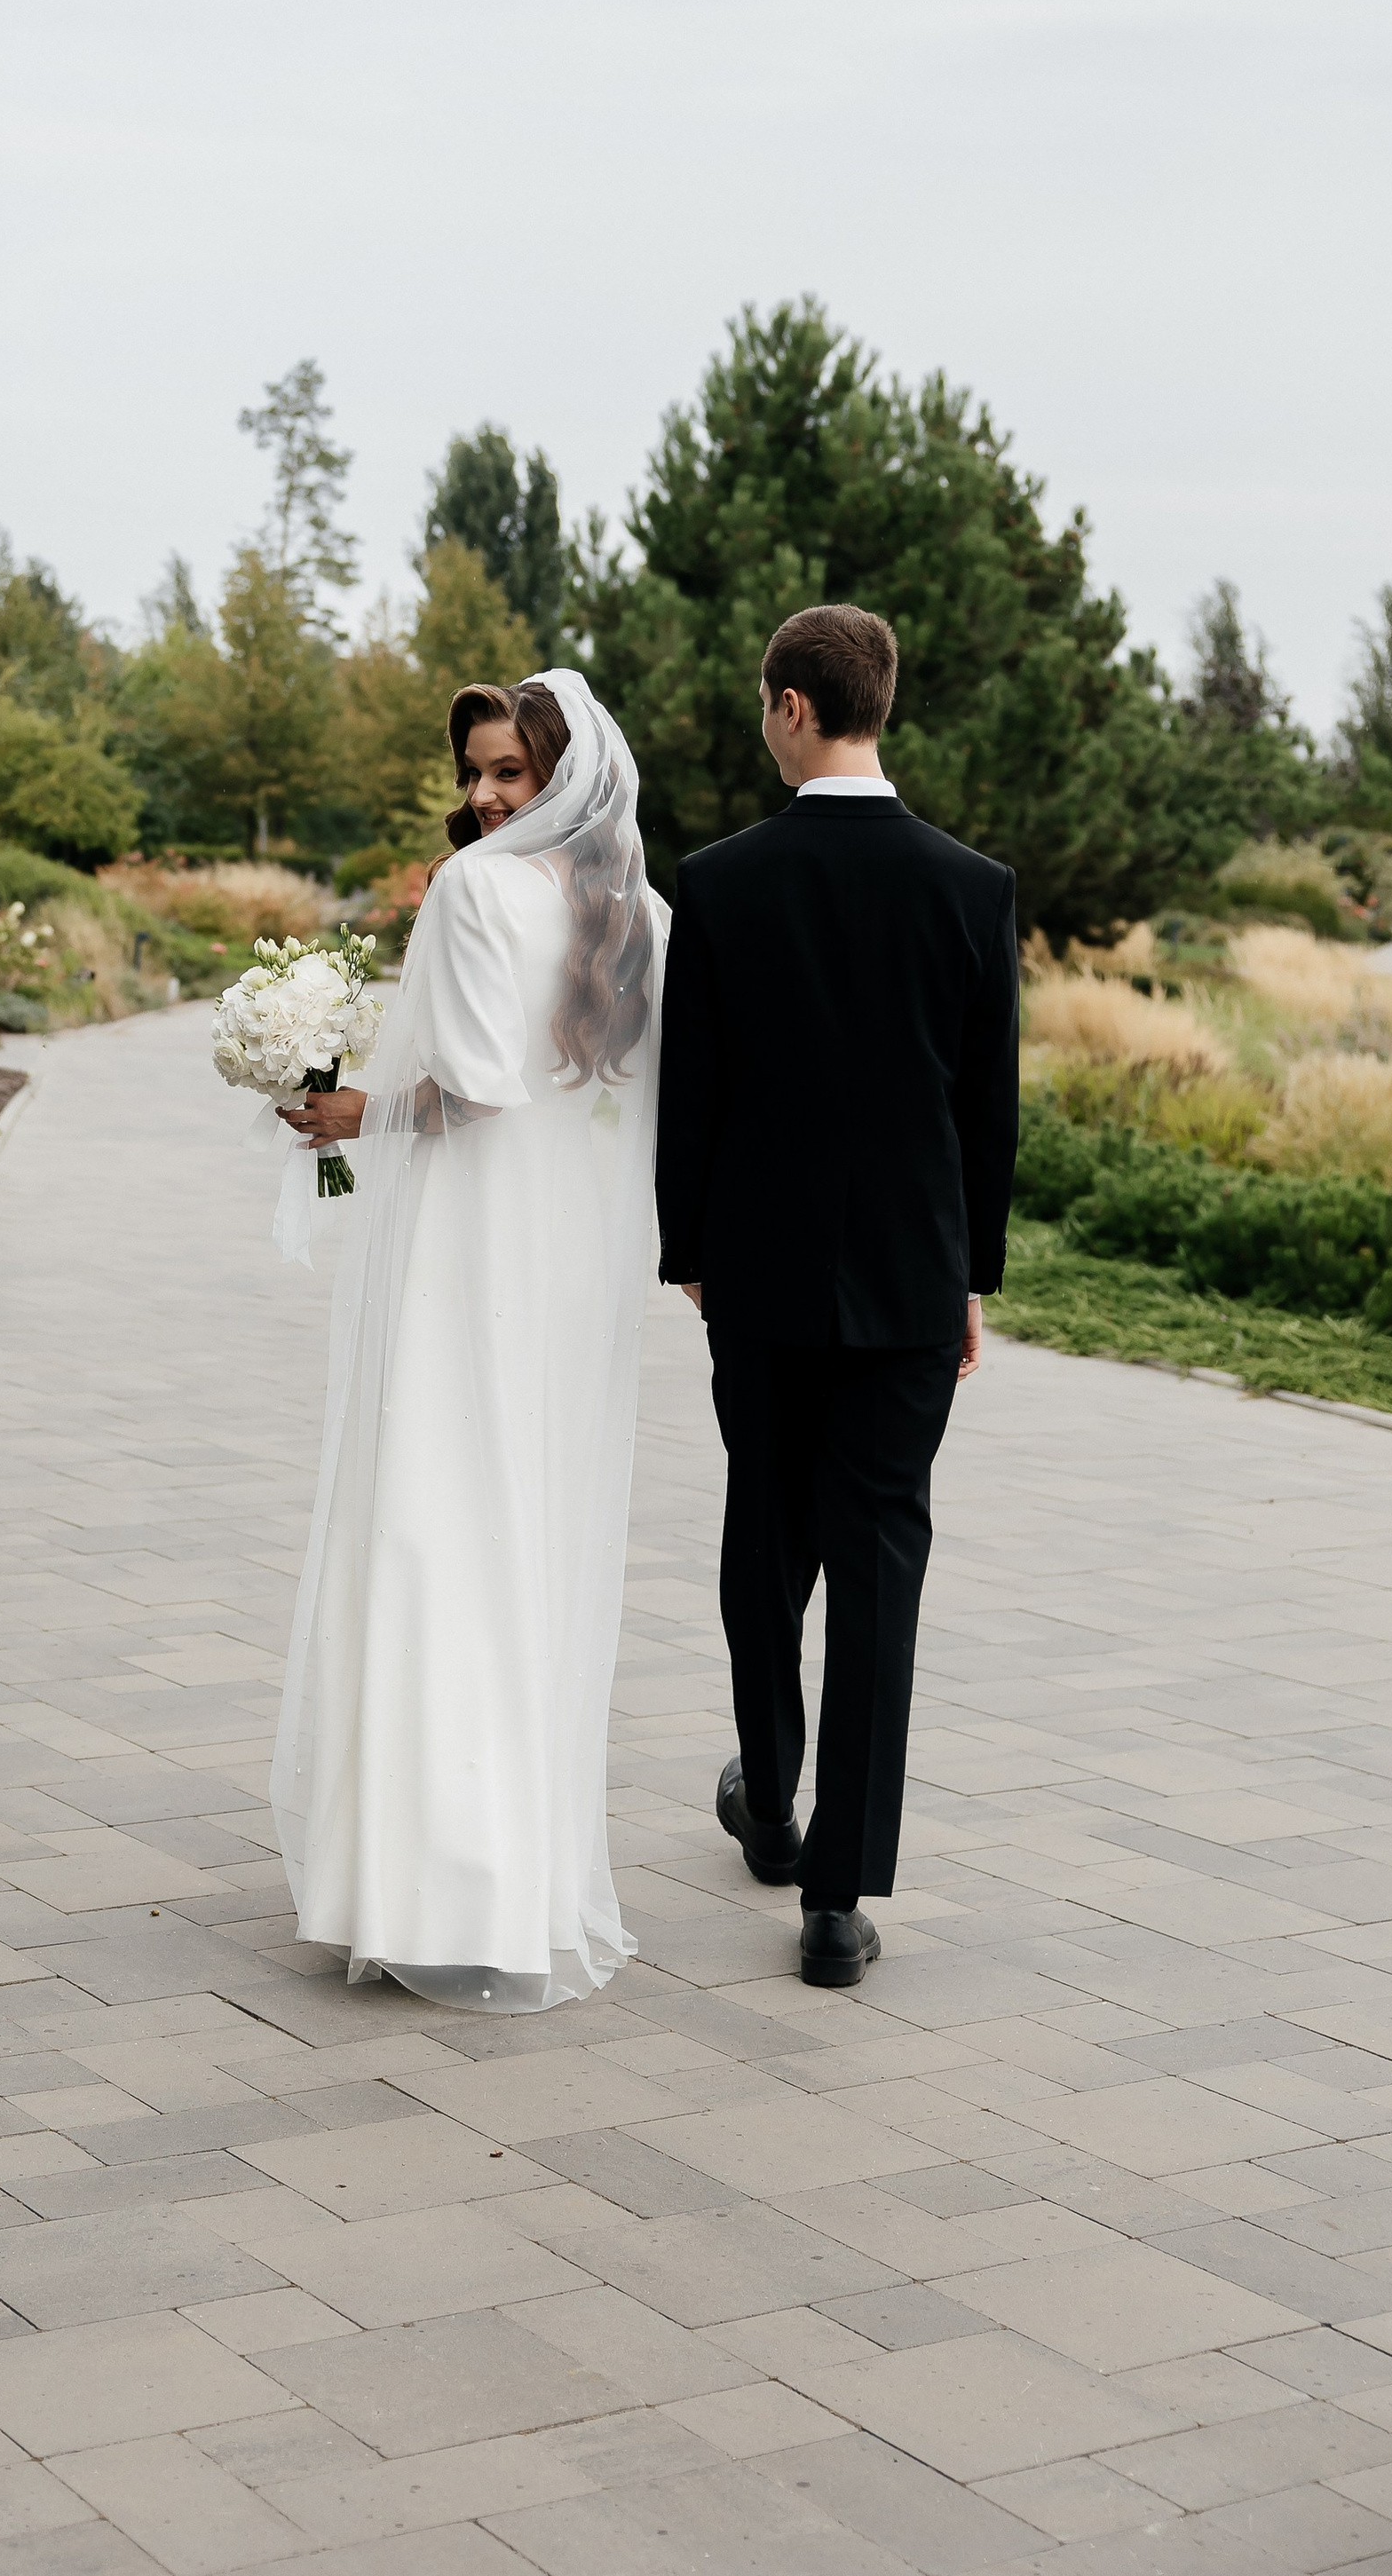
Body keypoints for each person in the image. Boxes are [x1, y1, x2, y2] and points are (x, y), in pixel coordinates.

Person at [270, 669, 665, 2012]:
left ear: (562, 773)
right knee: (517, 1535)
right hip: (560, 1265)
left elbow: (480, 1089)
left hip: (464, 1252)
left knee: (432, 1523)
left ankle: (427, 1883)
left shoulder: (481, 889)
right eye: (478, 773)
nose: (487, 795)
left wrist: (353, 1114)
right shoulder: (631, 911)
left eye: (512, 771)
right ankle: (509, 1879)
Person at [656, 604, 1018, 1988]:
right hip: (912, 1291)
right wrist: (968, 1276)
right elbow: (987, 1113)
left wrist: (689, 1248)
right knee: (878, 1568)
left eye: (764, 704)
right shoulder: (970, 886)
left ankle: (770, 1796)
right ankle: (833, 1898)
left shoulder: (723, 881)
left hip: (753, 1281)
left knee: (766, 1530)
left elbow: (696, 1093)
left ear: (796, 709)